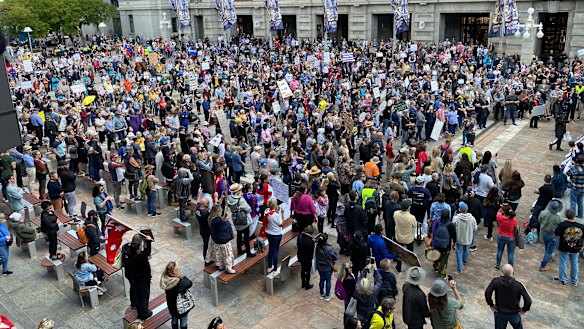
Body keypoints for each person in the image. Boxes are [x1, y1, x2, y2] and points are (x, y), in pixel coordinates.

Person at [485, 264, 532, 329]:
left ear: (502, 271)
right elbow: (528, 300)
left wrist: (491, 305)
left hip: (500, 312)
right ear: (513, 273)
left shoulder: (496, 282)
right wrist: (524, 310)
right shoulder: (518, 285)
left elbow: (487, 293)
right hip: (514, 313)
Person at [122, 233, 154, 321]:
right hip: (141, 279)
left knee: (134, 291)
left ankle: (134, 304)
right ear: (139, 246)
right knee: (143, 296)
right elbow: (147, 251)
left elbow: (144, 253)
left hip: (131, 276)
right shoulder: (139, 257)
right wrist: (149, 242)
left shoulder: (126, 250)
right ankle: (143, 313)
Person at [553, 209, 584, 286]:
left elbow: (556, 234)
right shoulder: (581, 227)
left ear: (566, 216)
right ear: (574, 216)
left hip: (564, 248)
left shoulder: (563, 225)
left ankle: (563, 279)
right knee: (574, 264)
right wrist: (583, 246)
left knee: (563, 263)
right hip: (575, 249)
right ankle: (574, 281)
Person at [160, 261, 193, 329]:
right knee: (183, 320)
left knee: (174, 318)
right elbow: (189, 283)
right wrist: (181, 276)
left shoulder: (165, 278)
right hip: (181, 306)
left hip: (171, 305)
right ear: (174, 272)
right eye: (177, 269)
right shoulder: (179, 283)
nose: (179, 270)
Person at [207, 204, 236, 274]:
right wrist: (226, 215)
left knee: (220, 254)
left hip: (217, 240)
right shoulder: (216, 220)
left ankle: (221, 266)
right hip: (223, 241)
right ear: (218, 211)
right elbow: (222, 220)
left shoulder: (211, 218)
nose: (222, 210)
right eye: (221, 209)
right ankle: (228, 269)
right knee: (227, 254)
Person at [227, 183, 255, 257]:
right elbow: (248, 209)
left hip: (235, 219)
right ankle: (248, 252)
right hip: (243, 220)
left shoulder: (229, 198)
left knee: (239, 236)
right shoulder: (240, 199)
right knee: (246, 237)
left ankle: (239, 249)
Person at [538, 200, 564, 272]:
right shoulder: (560, 218)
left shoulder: (543, 213)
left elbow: (539, 220)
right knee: (549, 251)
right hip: (553, 235)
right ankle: (543, 266)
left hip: (544, 232)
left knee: (547, 247)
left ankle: (549, 258)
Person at [430, 209, 456, 278]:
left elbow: (432, 231)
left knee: (436, 256)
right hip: (446, 245)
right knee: (444, 260)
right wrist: (454, 243)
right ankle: (442, 273)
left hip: (436, 243)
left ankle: (435, 267)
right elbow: (454, 235)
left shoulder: (436, 222)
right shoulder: (451, 225)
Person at [452, 201, 477, 274]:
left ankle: (460, 268)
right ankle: (465, 260)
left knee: (459, 252)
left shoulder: (456, 218)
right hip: (468, 238)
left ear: (459, 209)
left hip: (459, 238)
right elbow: (475, 228)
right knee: (466, 249)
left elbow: (453, 228)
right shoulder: (472, 218)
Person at [495, 204, 519, 270]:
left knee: (500, 251)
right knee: (511, 253)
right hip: (511, 237)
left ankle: (498, 264)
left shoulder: (500, 218)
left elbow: (498, 212)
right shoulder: (514, 220)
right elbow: (517, 229)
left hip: (501, 236)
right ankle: (510, 267)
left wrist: (502, 207)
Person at [315, 232, 338, 301]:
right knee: (328, 280)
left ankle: (321, 294)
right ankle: (327, 296)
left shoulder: (317, 247)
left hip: (320, 267)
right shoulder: (329, 249)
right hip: (328, 267)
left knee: (322, 279)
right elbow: (335, 257)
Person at [265, 197, 284, 273]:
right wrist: (282, 214)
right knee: (275, 251)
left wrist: (276, 211)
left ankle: (269, 266)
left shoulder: (266, 211)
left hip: (269, 233)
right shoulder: (276, 215)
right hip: (276, 234)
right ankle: (275, 268)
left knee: (271, 249)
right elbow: (281, 224)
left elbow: (271, 213)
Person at [297, 225, 315, 290]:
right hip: (307, 258)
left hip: (301, 256)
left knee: (302, 269)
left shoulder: (300, 236)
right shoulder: (310, 241)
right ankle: (307, 284)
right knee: (308, 271)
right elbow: (311, 251)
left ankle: (303, 283)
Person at [196, 196, 212, 265]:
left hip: (202, 230)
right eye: (207, 203)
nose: (208, 204)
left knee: (206, 245)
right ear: (203, 204)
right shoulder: (205, 213)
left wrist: (199, 193)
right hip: (207, 232)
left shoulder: (198, 208)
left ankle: (207, 259)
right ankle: (206, 261)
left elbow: (198, 202)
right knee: (206, 246)